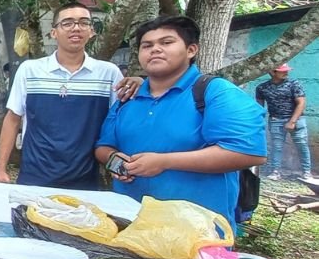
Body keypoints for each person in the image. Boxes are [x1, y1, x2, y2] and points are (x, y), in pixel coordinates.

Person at [95, 16, 266, 228]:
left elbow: (248, 153)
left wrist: (164, 162)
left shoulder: (215, 92)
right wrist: (114, 160)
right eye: (147, 45)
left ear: (191, 50)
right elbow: (103, 146)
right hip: (129, 224)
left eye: (166, 43)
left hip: (197, 229)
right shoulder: (127, 99)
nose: (155, 49)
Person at [0, 2, 140, 189]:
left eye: (83, 22)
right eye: (67, 23)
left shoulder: (109, 74)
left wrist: (143, 83)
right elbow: (13, 118)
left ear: (92, 31)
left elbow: (122, 122)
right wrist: (1, 169)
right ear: (54, 32)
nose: (76, 28)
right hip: (35, 176)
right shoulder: (30, 70)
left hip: (86, 179)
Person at [256, 63, 313, 180]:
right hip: (276, 120)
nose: (286, 72)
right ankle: (275, 171)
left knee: (302, 145)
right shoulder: (262, 88)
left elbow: (301, 103)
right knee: (276, 146)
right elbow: (259, 107)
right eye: (282, 71)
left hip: (296, 119)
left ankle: (306, 172)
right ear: (272, 72)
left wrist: (292, 121)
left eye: (287, 70)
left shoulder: (294, 84)